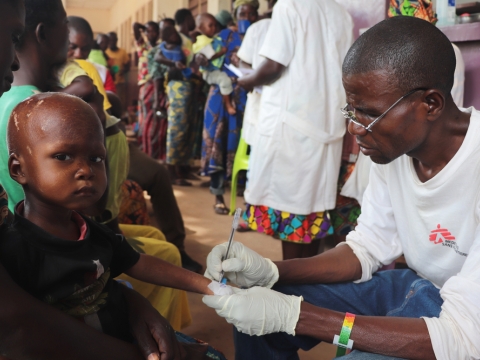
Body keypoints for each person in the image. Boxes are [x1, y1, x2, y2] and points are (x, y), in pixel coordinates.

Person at [203, 15, 480, 359]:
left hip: (461, 326)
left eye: (368, 114)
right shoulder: (394, 148)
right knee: (261, 301)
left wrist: (296, 316)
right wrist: (271, 272)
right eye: (351, 110)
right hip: (412, 290)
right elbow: (366, 248)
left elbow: (461, 336)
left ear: (430, 104)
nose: (355, 129)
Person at [0, 1, 189, 359]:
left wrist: (129, 298)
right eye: (11, 36)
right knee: (163, 253)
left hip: (75, 229)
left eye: (94, 158)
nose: (13, 59)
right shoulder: (32, 108)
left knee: (151, 244)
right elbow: (16, 324)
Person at [1, 92, 231, 359]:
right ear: (19, 170)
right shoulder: (14, 246)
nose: (85, 170)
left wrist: (212, 287)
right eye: (63, 156)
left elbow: (139, 263)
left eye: (96, 158)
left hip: (117, 337)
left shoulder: (89, 230)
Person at [236, 0, 352, 259]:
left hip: (293, 127)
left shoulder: (290, 5)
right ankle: (305, 284)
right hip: (327, 124)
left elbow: (273, 66)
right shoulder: (340, 12)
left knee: (292, 213)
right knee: (312, 213)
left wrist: (247, 80)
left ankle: (293, 289)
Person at [202, 0, 258, 215]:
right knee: (218, 141)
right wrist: (211, 55)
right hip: (220, 97)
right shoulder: (226, 36)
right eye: (242, 13)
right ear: (236, 16)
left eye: (251, 13)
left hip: (248, 99)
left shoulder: (262, 36)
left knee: (245, 145)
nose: (247, 17)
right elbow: (201, 58)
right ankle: (217, 195)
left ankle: (246, 197)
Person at [193, 13, 236, 116]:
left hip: (215, 70)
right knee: (224, 80)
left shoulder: (211, 38)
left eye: (215, 25)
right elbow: (211, 56)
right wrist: (222, 51)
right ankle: (228, 104)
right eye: (210, 25)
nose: (214, 28)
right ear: (201, 28)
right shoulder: (203, 41)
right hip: (210, 72)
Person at [106, 31, 130, 110]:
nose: (112, 42)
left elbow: (128, 65)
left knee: (120, 101)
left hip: (120, 82)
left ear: (116, 40)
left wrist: (123, 71)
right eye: (110, 40)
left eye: (114, 40)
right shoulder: (105, 52)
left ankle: (120, 118)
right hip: (108, 83)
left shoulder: (123, 52)